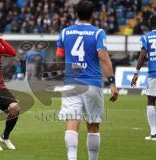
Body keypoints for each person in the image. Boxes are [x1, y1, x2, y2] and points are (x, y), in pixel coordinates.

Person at [56, 1, 118, 160]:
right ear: (92, 14)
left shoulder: (65, 32)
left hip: (71, 82)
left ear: (76, 14)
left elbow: (59, 56)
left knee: (72, 121)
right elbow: (103, 57)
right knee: (93, 124)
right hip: (92, 83)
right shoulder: (98, 33)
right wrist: (112, 81)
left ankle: (71, 158)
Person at [131, 15, 156, 141]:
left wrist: (136, 72)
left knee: (151, 101)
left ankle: (154, 133)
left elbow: (142, 56)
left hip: (154, 74)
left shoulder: (146, 37)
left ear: (151, 25)